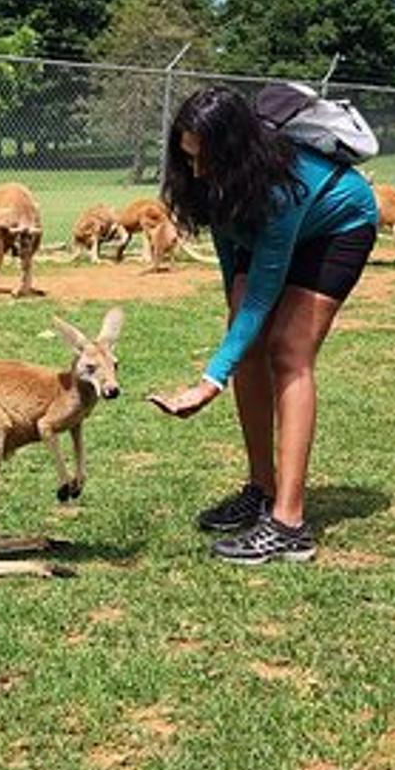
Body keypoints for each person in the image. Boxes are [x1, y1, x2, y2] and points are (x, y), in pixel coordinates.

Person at [147, 86, 379, 565]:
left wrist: (210, 381)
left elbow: (262, 296)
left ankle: (289, 524)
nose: (197, 171)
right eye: (188, 157)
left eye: (207, 159)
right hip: (271, 232)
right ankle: (261, 486)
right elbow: (231, 258)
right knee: (248, 344)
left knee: (287, 351)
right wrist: (234, 337)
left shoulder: (277, 187)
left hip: (338, 224)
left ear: (236, 152)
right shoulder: (202, 178)